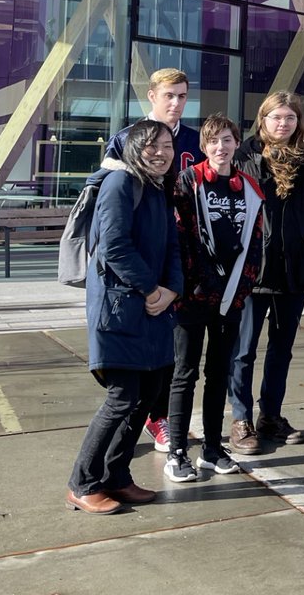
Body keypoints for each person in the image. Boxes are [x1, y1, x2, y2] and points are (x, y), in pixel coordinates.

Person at [66, 120, 182, 513]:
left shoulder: (158, 188)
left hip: (153, 309)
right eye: (152, 146)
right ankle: (82, 482)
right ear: (134, 149)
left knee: (146, 395)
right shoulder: (120, 184)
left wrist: (172, 290)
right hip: (119, 310)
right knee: (122, 396)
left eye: (167, 145)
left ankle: (116, 477)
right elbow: (113, 246)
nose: (162, 152)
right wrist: (152, 289)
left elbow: (172, 247)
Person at [101, 66, 205, 454]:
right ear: (152, 97)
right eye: (169, 96)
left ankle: (161, 414)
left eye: (182, 96)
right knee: (137, 349)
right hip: (140, 259)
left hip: (181, 255)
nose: (176, 103)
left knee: (174, 346)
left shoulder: (195, 140)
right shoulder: (125, 140)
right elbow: (109, 212)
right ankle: (144, 418)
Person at [227, 91, 304, 455]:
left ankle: (270, 415)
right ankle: (240, 420)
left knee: (281, 349)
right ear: (263, 119)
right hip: (253, 272)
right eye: (276, 117)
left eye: (289, 118)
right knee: (242, 351)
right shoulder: (244, 157)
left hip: (294, 270)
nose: (283, 124)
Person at [165, 114, 264, 482]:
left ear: (237, 143)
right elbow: (182, 238)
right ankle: (177, 451)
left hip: (231, 299)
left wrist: (243, 287)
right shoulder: (187, 183)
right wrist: (196, 284)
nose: (221, 147)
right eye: (214, 141)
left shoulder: (250, 188)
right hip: (193, 296)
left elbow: (254, 245)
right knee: (184, 373)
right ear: (203, 147)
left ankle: (211, 447)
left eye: (227, 139)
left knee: (219, 372)